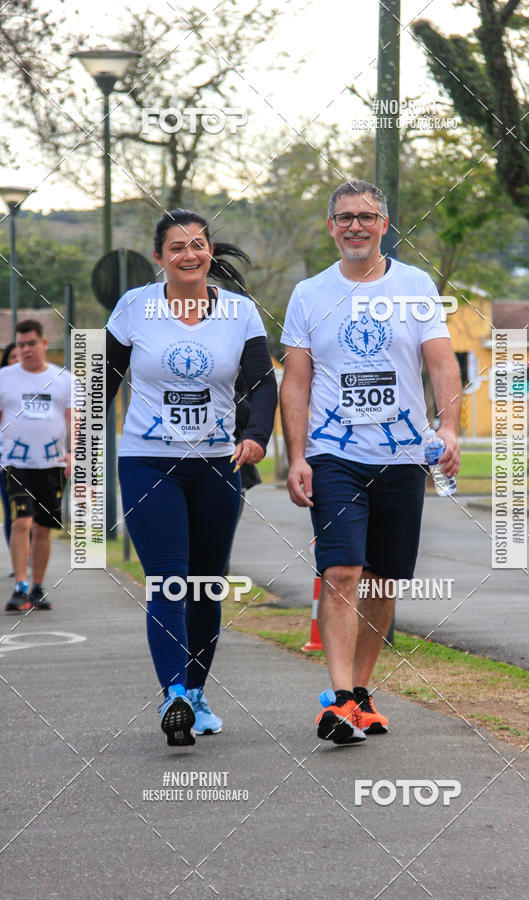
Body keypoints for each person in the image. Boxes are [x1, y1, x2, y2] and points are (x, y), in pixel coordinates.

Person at [280, 179, 461, 744]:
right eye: (343, 217)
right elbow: (297, 381)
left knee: (383, 578)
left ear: (384, 224)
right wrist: (297, 456)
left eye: (365, 215)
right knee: (340, 570)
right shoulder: (309, 293)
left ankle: (360, 692)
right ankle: (335, 702)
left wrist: (449, 427)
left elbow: (441, 363)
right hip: (335, 454)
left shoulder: (415, 286)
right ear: (331, 227)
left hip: (403, 455)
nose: (354, 225)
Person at [106, 208, 277, 747]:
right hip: (147, 461)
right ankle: (173, 694)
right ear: (159, 257)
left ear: (209, 252)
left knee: (206, 585)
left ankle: (196, 694)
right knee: (169, 580)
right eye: (176, 247)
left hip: (217, 465)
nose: (188, 254)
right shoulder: (135, 307)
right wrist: (80, 455)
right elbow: (102, 381)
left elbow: (262, 383)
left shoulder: (240, 312)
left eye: (198, 245)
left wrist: (257, 436)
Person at [0, 321, 72, 612]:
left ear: (43, 344)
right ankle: (20, 587)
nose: (26, 349)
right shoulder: (5, 377)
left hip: (52, 463)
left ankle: (38, 587)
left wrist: (74, 453)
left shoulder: (64, 379)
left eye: (31, 343)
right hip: (15, 463)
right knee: (21, 521)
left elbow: (73, 419)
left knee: (43, 528)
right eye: (21, 345)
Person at [0, 342, 19, 559]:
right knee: (12, 511)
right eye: (12, 357)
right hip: (6, 457)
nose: (17, 360)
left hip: (38, 460)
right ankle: (18, 561)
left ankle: (30, 555)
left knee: (34, 514)